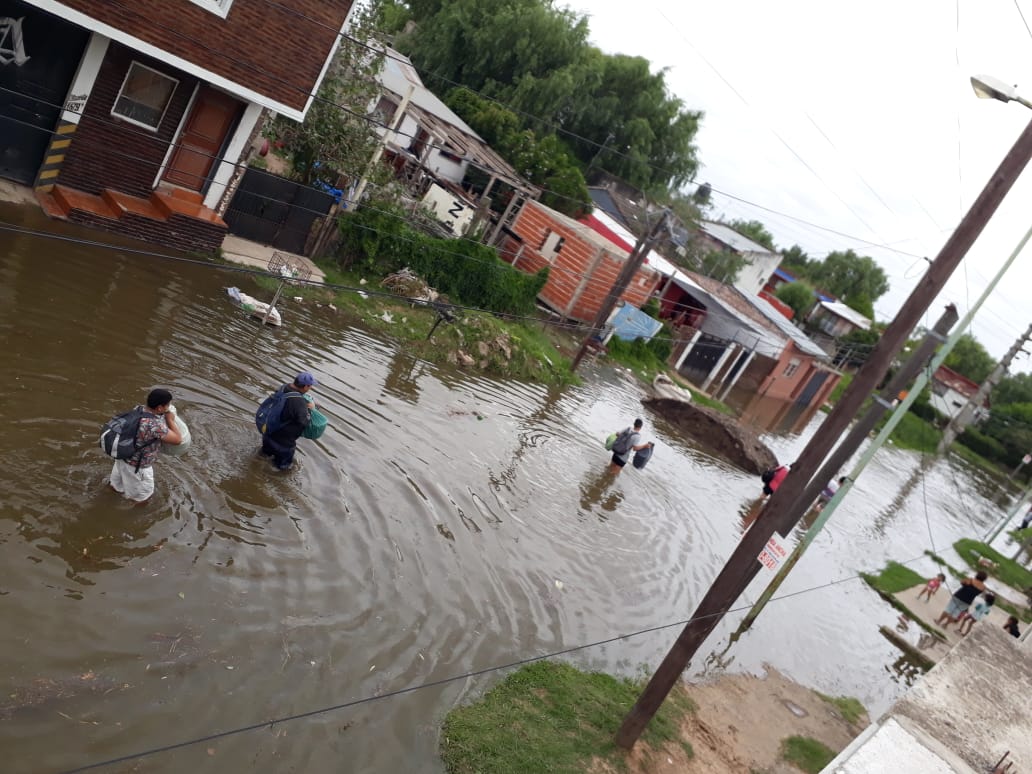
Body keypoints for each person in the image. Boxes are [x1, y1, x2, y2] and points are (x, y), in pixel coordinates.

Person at [109, 388, 183, 504]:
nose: (168, 407)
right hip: (137, 468)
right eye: (167, 405)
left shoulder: (137, 409)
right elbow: (178, 440)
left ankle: (108, 501)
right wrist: (170, 420)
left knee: (115, 487)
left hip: (122, 458)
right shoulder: (154, 425)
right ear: (159, 408)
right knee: (143, 499)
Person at [260, 372, 316, 470]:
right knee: (283, 469)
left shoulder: (283, 388)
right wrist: (311, 409)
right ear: (306, 386)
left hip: (269, 434)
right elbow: (305, 422)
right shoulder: (299, 402)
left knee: (262, 456)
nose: (311, 388)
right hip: (284, 444)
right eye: (310, 386)